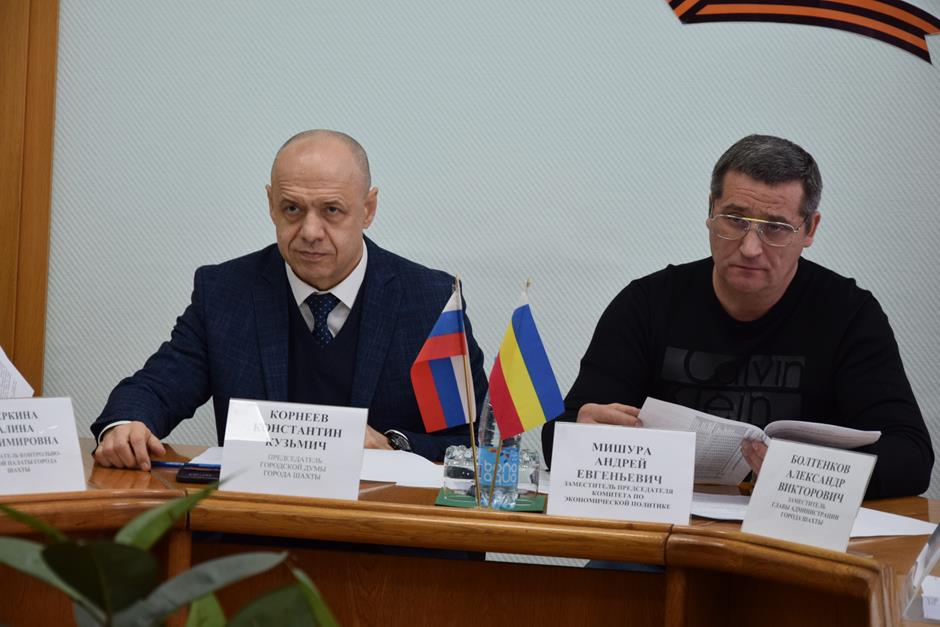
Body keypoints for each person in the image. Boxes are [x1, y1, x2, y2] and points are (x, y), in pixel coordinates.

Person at [541, 134, 932, 499]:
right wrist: (579, 433)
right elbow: (561, 435)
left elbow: (911, 457)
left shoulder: (847, 313)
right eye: (735, 220)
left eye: (775, 228)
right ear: (711, 211)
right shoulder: (647, 303)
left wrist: (800, 472)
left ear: (810, 229)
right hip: (665, 523)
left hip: (790, 529)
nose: (750, 248)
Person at [92, 129, 487, 469]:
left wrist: (393, 447)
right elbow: (156, 387)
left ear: (368, 209)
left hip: (383, 525)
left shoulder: (429, 302)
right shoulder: (226, 293)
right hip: (259, 524)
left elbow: (474, 444)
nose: (310, 231)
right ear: (271, 204)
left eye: (332, 210)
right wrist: (127, 425)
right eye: (292, 209)